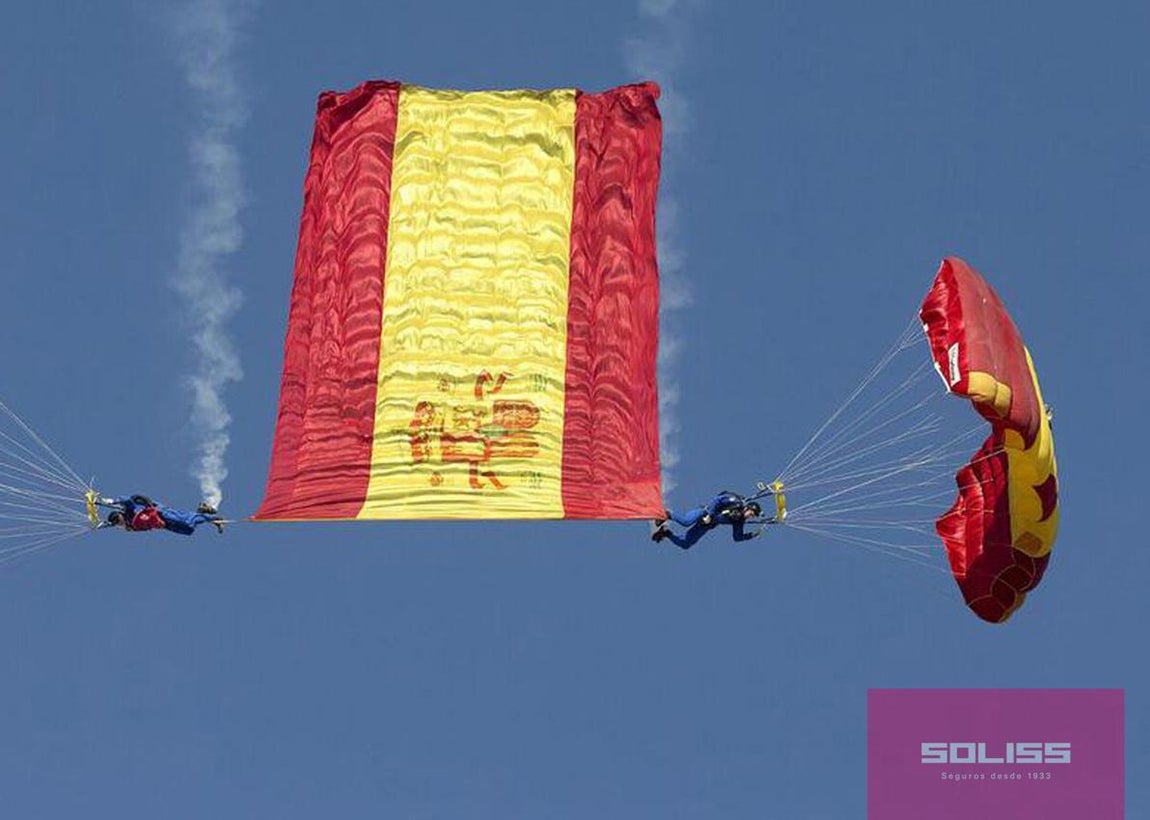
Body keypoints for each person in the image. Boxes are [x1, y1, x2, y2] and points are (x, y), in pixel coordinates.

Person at [651, 490, 763, 550]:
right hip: (703, 512)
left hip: (707, 525)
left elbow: (737, 537)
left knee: (686, 544)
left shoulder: (739, 521)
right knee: (686, 522)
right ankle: (667, 514)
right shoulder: (736, 502)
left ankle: (666, 533)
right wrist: (709, 514)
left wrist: (752, 535)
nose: (750, 516)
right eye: (751, 514)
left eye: (752, 516)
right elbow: (717, 500)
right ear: (748, 508)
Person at [99, 495, 224, 535]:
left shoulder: (129, 511)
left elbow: (129, 499)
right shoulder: (129, 526)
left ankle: (214, 519)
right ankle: (202, 511)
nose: (118, 523)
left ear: (119, 514)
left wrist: (112, 501)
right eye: (115, 523)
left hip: (161, 513)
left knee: (187, 521)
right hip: (161, 524)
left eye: (117, 519)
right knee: (188, 529)